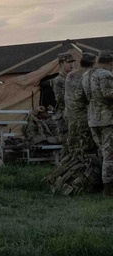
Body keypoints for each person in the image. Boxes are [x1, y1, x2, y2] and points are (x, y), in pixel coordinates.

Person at [47, 53, 102, 195]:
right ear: (60, 63)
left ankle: (72, 176)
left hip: (74, 115)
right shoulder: (60, 80)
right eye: (67, 62)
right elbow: (61, 99)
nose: (70, 64)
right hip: (70, 116)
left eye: (72, 62)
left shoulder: (71, 76)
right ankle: (67, 176)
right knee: (72, 145)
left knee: (77, 146)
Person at [85, 52, 113, 196]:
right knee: (109, 154)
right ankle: (108, 188)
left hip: (93, 118)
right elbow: (108, 94)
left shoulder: (87, 75)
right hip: (106, 118)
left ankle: (98, 182)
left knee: (102, 152)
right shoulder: (105, 74)